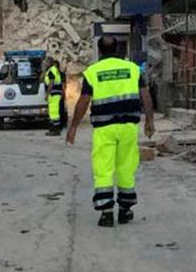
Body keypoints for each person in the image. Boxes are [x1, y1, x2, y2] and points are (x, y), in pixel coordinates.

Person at [66, 36, 155, 228]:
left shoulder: (92, 72)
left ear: (99, 51)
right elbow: (145, 95)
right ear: (119, 49)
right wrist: (149, 121)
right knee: (126, 168)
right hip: (128, 128)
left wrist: (73, 126)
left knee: (103, 169)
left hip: (104, 129)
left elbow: (84, 100)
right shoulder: (133, 69)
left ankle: (106, 213)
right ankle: (125, 211)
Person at [43, 57, 63, 136]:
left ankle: (55, 130)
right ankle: (53, 129)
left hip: (53, 93)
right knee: (52, 112)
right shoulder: (52, 69)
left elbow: (51, 82)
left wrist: (47, 94)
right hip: (55, 93)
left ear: (49, 62)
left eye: (45, 62)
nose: (44, 63)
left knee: (54, 112)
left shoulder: (51, 70)